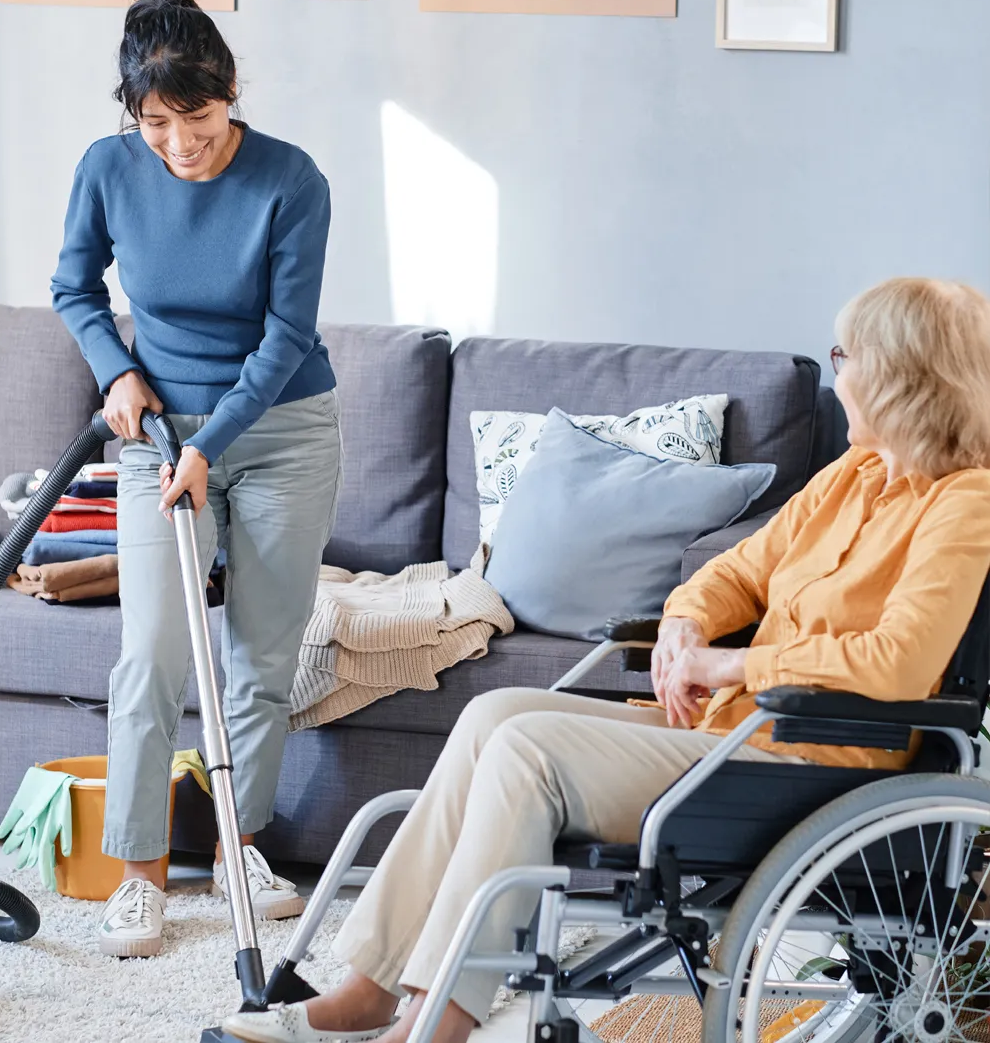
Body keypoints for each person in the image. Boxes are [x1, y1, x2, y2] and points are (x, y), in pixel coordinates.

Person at [221, 277, 990, 1043]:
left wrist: (730, 669)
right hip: (734, 737)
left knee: (529, 750)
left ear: (895, 377)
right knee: (492, 714)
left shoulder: (965, 503)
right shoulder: (852, 477)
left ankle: (437, 1024)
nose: (839, 374)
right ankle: (369, 991)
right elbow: (736, 572)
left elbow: (897, 661)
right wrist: (685, 627)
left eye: (845, 358)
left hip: (808, 762)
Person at [51, 0, 343, 958]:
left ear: (229, 92)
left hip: (283, 432)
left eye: (200, 119)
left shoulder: (290, 180)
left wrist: (211, 445)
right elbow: (73, 288)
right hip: (156, 441)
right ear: (133, 116)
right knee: (150, 655)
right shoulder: (107, 169)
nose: (181, 143)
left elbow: (288, 335)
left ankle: (236, 849)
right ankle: (140, 877)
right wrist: (117, 370)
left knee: (262, 656)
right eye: (157, 123)